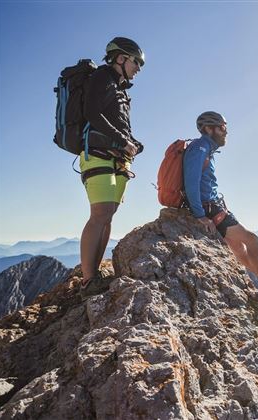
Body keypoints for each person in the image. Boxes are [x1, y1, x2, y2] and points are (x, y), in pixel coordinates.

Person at [183, 111, 258, 295]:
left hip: (211, 206)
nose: (225, 131)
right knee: (252, 239)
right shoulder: (200, 147)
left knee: (239, 248)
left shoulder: (205, 148)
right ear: (209, 129)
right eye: (222, 127)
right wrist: (200, 215)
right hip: (210, 208)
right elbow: (191, 182)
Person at [78, 37, 145, 296]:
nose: (138, 67)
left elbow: (117, 124)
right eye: (136, 61)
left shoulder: (119, 89)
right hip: (97, 154)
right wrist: (122, 140)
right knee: (100, 214)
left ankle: (93, 274)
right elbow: (93, 113)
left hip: (116, 157)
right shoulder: (101, 78)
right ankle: (87, 280)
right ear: (120, 58)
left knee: (108, 214)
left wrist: (133, 143)